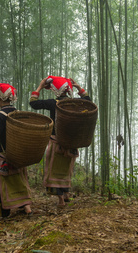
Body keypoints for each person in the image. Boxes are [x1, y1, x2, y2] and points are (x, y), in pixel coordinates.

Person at [29, 76, 91, 208]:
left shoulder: (53, 103)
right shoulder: (74, 102)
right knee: (66, 170)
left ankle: (61, 200)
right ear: (67, 89)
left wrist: (40, 87)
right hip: (71, 142)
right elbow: (88, 100)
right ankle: (66, 195)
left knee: (54, 170)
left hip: (56, 141)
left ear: (55, 90)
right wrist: (79, 88)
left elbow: (33, 103)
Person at [0, 83, 32, 221]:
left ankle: (0, 213)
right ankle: (26, 207)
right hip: (18, 154)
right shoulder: (18, 113)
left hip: (2, 155)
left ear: (0, 99)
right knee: (20, 180)